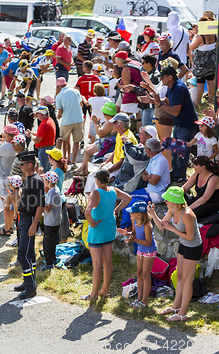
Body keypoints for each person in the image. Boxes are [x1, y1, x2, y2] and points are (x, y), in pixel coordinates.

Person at [149, 186, 202, 322]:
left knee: (187, 280)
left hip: (193, 247)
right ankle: (175, 307)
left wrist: (172, 229)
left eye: (168, 198)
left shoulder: (188, 214)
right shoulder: (172, 209)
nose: (165, 200)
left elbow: (190, 237)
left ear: (176, 200)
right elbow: (161, 226)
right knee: (179, 276)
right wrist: (153, 213)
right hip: (184, 245)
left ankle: (183, 313)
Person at [82, 169, 131, 301]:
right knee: (107, 262)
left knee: (97, 265)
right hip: (109, 229)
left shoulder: (95, 193)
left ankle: (93, 295)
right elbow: (128, 198)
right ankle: (105, 290)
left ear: (97, 180)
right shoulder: (114, 190)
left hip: (97, 231)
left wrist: (92, 223)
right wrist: (115, 210)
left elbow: (87, 212)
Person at [152, 66, 198, 182]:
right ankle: (176, 176)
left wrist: (159, 104)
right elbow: (166, 101)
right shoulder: (171, 86)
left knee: (181, 154)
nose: (161, 80)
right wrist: (152, 100)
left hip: (186, 126)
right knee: (175, 152)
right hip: (179, 125)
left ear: (170, 77)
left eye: (162, 78)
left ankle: (180, 178)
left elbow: (175, 111)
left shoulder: (179, 88)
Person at [14, 151, 45, 300]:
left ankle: (30, 287)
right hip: (24, 219)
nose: (19, 166)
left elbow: (40, 205)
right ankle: (28, 282)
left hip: (29, 220)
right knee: (30, 254)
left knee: (22, 254)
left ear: (30, 165)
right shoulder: (29, 178)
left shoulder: (36, 181)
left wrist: (34, 225)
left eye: (22, 164)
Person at [117, 201, 157, 309]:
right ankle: (139, 298)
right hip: (141, 249)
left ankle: (145, 301)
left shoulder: (147, 225)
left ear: (139, 214)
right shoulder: (134, 221)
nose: (130, 214)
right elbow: (134, 233)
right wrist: (128, 234)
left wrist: (133, 239)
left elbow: (148, 242)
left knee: (145, 275)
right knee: (139, 273)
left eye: (132, 213)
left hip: (149, 250)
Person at [55, 77, 83, 167]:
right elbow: (80, 104)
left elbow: (60, 112)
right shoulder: (75, 91)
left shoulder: (59, 96)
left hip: (67, 121)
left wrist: (58, 116)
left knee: (60, 138)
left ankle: (57, 160)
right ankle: (73, 162)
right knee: (76, 141)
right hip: (79, 119)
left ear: (58, 86)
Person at [0, 124, 17, 211]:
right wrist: (2, 142)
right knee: (12, 200)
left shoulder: (4, 147)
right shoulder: (17, 144)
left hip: (2, 178)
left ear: (7, 134)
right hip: (12, 177)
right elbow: (6, 146)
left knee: (4, 204)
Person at [190, 16, 217, 104]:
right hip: (212, 61)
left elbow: (191, 47)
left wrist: (194, 36)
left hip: (202, 63)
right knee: (211, 82)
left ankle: (198, 103)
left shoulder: (201, 37)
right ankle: (210, 100)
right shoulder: (214, 35)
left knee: (200, 83)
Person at [39, 170, 62, 271]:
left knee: (47, 243)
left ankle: (48, 264)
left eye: (44, 179)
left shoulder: (51, 193)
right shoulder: (56, 189)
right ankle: (53, 258)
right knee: (53, 241)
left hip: (50, 223)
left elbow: (48, 208)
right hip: (56, 221)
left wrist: (40, 202)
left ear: (47, 181)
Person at [25, 106, 56, 172]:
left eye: (37, 114)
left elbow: (37, 140)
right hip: (49, 148)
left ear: (41, 114)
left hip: (44, 150)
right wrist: (33, 133)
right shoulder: (49, 120)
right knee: (48, 169)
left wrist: (30, 135)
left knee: (43, 171)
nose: (36, 115)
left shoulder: (44, 124)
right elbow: (42, 134)